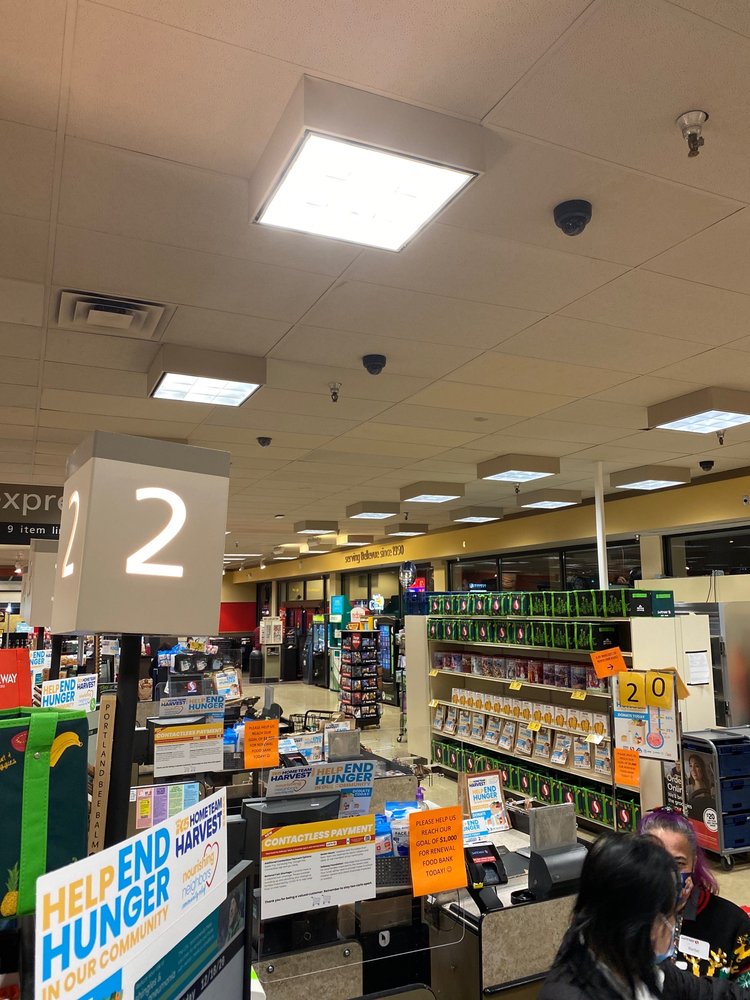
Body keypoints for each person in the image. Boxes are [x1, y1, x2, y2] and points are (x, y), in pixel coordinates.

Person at [539, 833, 749, 999]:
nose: (673, 923)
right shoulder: (570, 993)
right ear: (639, 922)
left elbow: (706, 993)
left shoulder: (635, 962)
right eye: (669, 913)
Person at [639, 807, 750, 983]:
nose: (666, 872)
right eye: (655, 860)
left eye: (678, 863)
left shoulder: (733, 925)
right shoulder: (620, 915)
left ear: (693, 863)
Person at [687, 754, 716, 819]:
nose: (693, 770)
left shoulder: (712, 789)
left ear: (702, 768)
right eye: (690, 766)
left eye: (696, 766)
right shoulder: (687, 790)